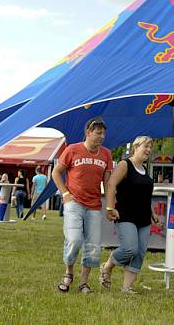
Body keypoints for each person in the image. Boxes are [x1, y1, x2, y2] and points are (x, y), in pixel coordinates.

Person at [53, 117, 113, 294]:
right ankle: (68, 272)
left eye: (103, 133)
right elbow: (56, 173)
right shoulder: (72, 150)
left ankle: (84, 282)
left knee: (93, 246)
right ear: (88, 132)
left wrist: (109, 206)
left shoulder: (106, 154)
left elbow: (108, 183)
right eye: (98, 132)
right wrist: (65, 194)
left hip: (94, 205)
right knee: (74, 239)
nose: (102, 136)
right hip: (74, 202)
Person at [101, 136, 160, 293]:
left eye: (150, 147)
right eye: (145, 146)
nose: (148, 150)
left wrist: (153, 213)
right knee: (130, 249)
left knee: (140, 253)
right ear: (136, 147)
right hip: (126, 215)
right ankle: (107, 266)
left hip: (144, 217)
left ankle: (127, 288)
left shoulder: (145, 169)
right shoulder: (125, 165)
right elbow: (111, 184)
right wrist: (109, 207)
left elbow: (145, 196)